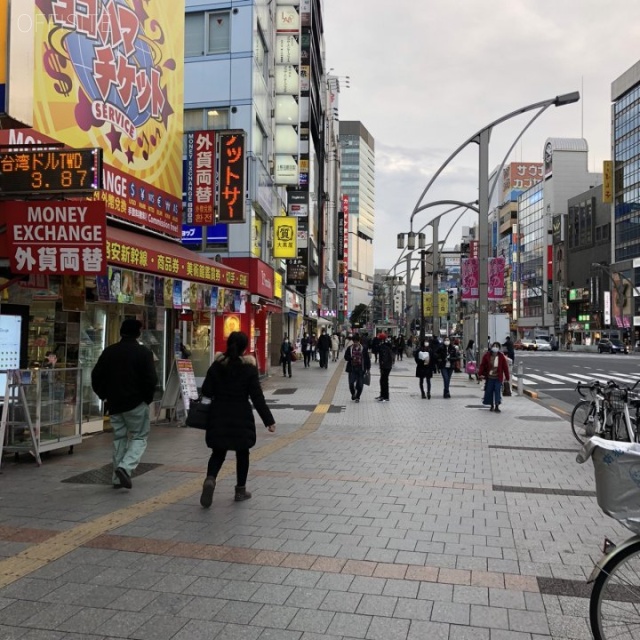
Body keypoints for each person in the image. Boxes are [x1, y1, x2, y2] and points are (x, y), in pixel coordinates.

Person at [200, 331, 276, 507]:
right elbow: (257, 397)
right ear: (245, 348)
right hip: (241, 415)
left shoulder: (216, 366)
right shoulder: (248, 369)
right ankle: (240, 490)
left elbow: (206, 391)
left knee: (218, 452)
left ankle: (210, 479)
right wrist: (268, 420)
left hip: (218, 414)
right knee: (243, 453)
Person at [91, 319, 158, 490]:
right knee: (139, 436)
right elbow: (151, 380)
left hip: (114, 404)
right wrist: (147, 399)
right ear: (138, 333)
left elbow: (96, 376)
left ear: (121, 332)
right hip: (136, 403)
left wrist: (104, 395)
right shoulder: (143, 353)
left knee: (119, 438)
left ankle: (116, 477)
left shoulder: (109, 352)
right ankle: (125, 468)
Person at [478, 341, 511, 413]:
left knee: (497, 390)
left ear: (499, 348)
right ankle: (491, 405)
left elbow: (505, 367)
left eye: (497, 346)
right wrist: (480, 373)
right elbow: (482, 365)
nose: (495, 347)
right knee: (489, 391)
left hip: (498, 377)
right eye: (494, 346)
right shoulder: (487, 355)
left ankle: (497, 405)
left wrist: (507, 377)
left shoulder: (501, 356)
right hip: (489, 377)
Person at [344, 333, 371, 402]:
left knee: (360, 384)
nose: (356, 343)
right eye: (354, 341)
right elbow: (345, 357)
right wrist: (351, 358)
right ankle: (353, 393)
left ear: (359, 341)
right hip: (352, 368)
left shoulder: (363, 348)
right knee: (351, 383)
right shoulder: (350, 348)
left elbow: (367, 359)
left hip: (361, 368)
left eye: (357, 341)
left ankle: (358, 397)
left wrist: (368, 368)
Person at [376, 333, 394, 402]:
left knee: (384, 381)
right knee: (382, 380)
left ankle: (385, 396)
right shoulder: (386, 345)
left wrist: (383, 366)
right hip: (386, 366)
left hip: (385, 366)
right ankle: (382, 395)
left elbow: (384, 357)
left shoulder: (384, 347)